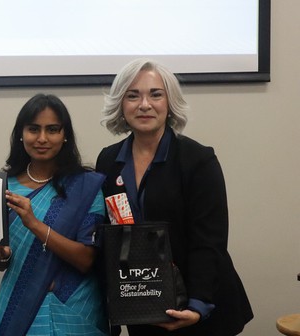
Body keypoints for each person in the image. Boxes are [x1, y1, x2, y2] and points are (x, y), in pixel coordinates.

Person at [95, 58, 253, 335]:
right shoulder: (109, 160)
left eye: (155, 94)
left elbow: (210, 240)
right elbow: (110, 237)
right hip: (143, 305)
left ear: (170, 103)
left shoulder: (198, 159)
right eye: (133, 96)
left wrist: (197, 305)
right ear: (121, 103)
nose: (144, 105)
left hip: (200, 309)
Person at [0, 93, 110, 336]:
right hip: (17, 304)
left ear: (65, 136)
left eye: (52, 130)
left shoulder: (85, 187)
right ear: (21, 134)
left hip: (71, 306)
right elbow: (4, 263)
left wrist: (34, 223)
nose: (42, 138)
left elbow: (85, 259)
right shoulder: (3, 187)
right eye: (34, 129)